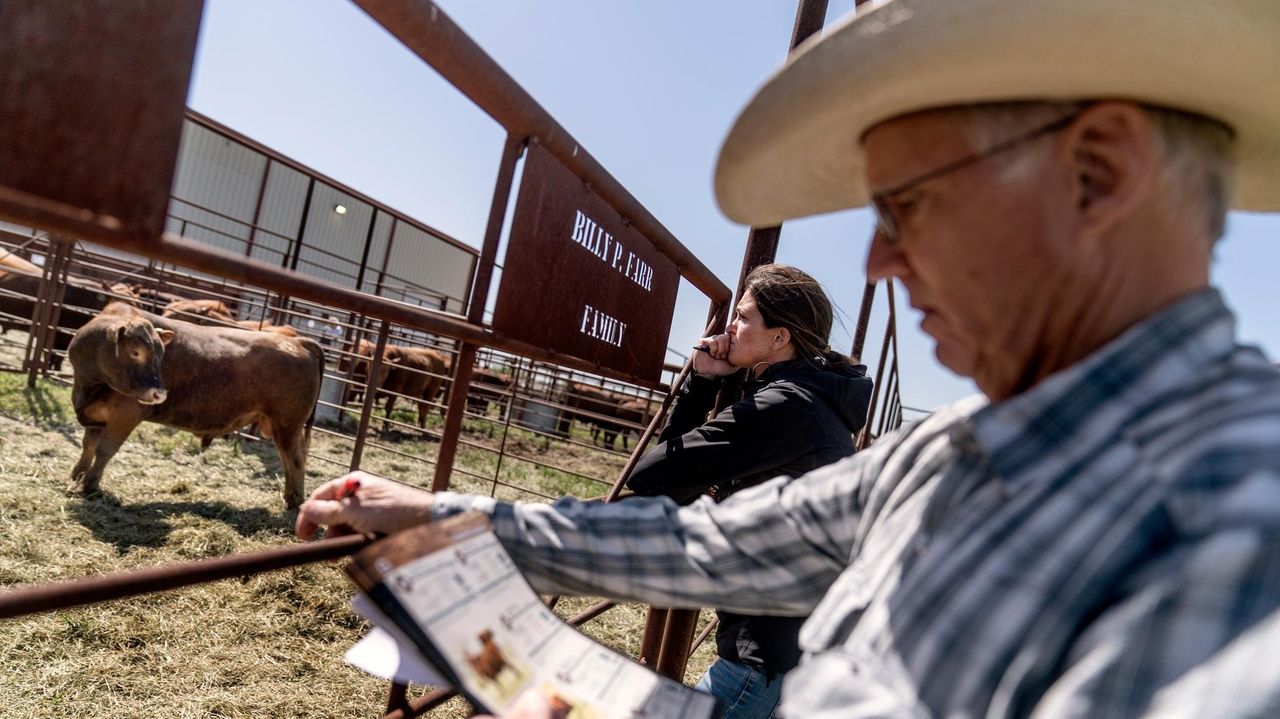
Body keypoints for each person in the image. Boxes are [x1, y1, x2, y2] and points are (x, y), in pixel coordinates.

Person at [297, 1, 1280, 715]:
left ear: (1096, 172)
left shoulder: (1239, 529)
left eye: (907, 204)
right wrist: (437, 515)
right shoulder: (945, 451)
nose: (878, 257)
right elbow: (707, 545)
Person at [626, 263, 872, 717]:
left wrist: (701, 382)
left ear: (779, 338)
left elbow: (652, 477)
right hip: (790, 647)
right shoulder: (818, 402)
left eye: (742, 317)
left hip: (758, 659)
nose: (730, 328)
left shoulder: (785, 407)